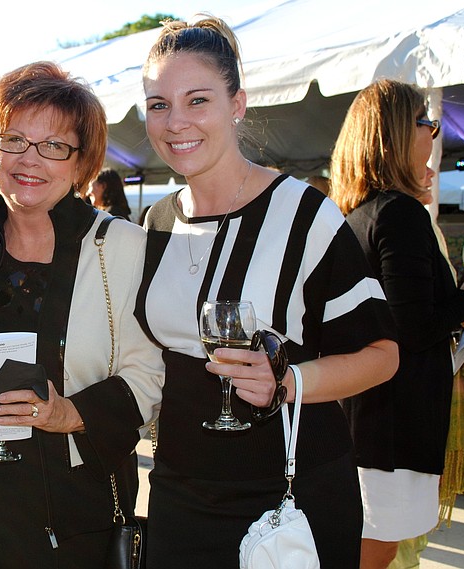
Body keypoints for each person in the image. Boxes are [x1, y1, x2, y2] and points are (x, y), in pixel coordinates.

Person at [135, 16, 399, 568]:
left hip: (288, 497)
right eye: (159, 104)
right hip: (180, 492)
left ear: (237, 104)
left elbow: (382, 355)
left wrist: (288, 381)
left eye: (197, 100)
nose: (176, 121)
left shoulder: (305, 215)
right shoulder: (155, 223)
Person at [0, 61, 164, 568]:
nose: (29, 159)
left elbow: (151, 374)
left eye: (54, 145)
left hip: (70, 514)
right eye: (14, 139)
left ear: (81, 163)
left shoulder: (123, 248)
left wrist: (67, 414)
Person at [329, 79, 464, 569]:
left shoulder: (359, 214)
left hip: (367, 419)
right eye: (425, 123)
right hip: (392, 424)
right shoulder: (399, 214)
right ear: (395, 132)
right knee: (376, 550)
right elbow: (412, 325)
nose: (432, 135)